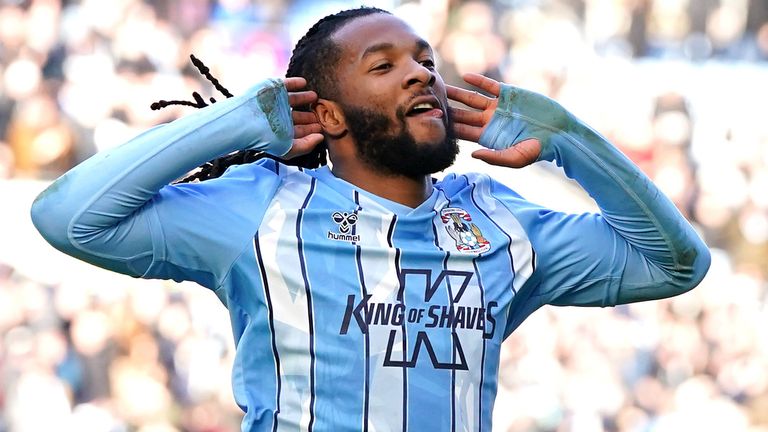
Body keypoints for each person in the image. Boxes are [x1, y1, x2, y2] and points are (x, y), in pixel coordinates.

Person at [30, 6, 710, 432]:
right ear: (326, 114)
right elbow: (69, 218)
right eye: (382, 65)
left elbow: (674, 263)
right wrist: (228, 126)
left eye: (425, 61)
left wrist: (572, 141)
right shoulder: (261, 210)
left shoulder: (499, 223)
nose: (420, 75)